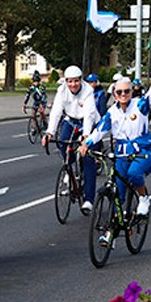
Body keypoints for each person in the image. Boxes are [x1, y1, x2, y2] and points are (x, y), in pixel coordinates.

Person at [81, 55, 151, 218]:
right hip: (122, 153)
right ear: (114, 94)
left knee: (134, 174)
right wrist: (86, 143)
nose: (123, 94)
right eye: (119, 92)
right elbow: (100, 130)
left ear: (131, 92)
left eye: (127, 91)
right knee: (118, 191)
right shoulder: (112, 112)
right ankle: (113, 231)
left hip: (143, 151)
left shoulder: (140, 105)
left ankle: (143, 197)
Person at [42, 66, 99, 213]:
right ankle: (70, 167)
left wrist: (86, 136)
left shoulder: (88, 90)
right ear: (66, 81)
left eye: (76, 81)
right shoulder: (61, 91)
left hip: (88, 122)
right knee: (62, 142)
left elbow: (89, 115)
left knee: (88, 160)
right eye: (70, 81)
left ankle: (89, 199)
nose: (73, 85)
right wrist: (49, 132)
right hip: (71, 120)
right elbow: (55, 112)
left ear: (81, 80)